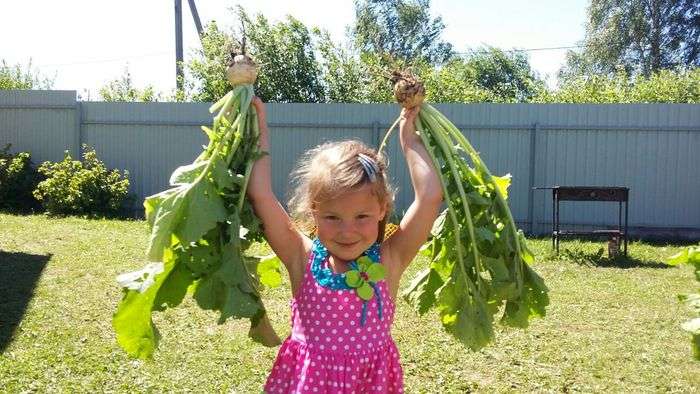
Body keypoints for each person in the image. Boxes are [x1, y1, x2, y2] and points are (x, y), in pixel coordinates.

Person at [246, 97, 443, 393]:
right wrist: (257, 126)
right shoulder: (302, 257)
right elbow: (260, 194)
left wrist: (408, 136)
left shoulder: (390, 259)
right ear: (313, 211)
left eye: (361, 216)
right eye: (332, 217)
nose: (347, 230)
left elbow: (429, 195)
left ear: (382, 209)